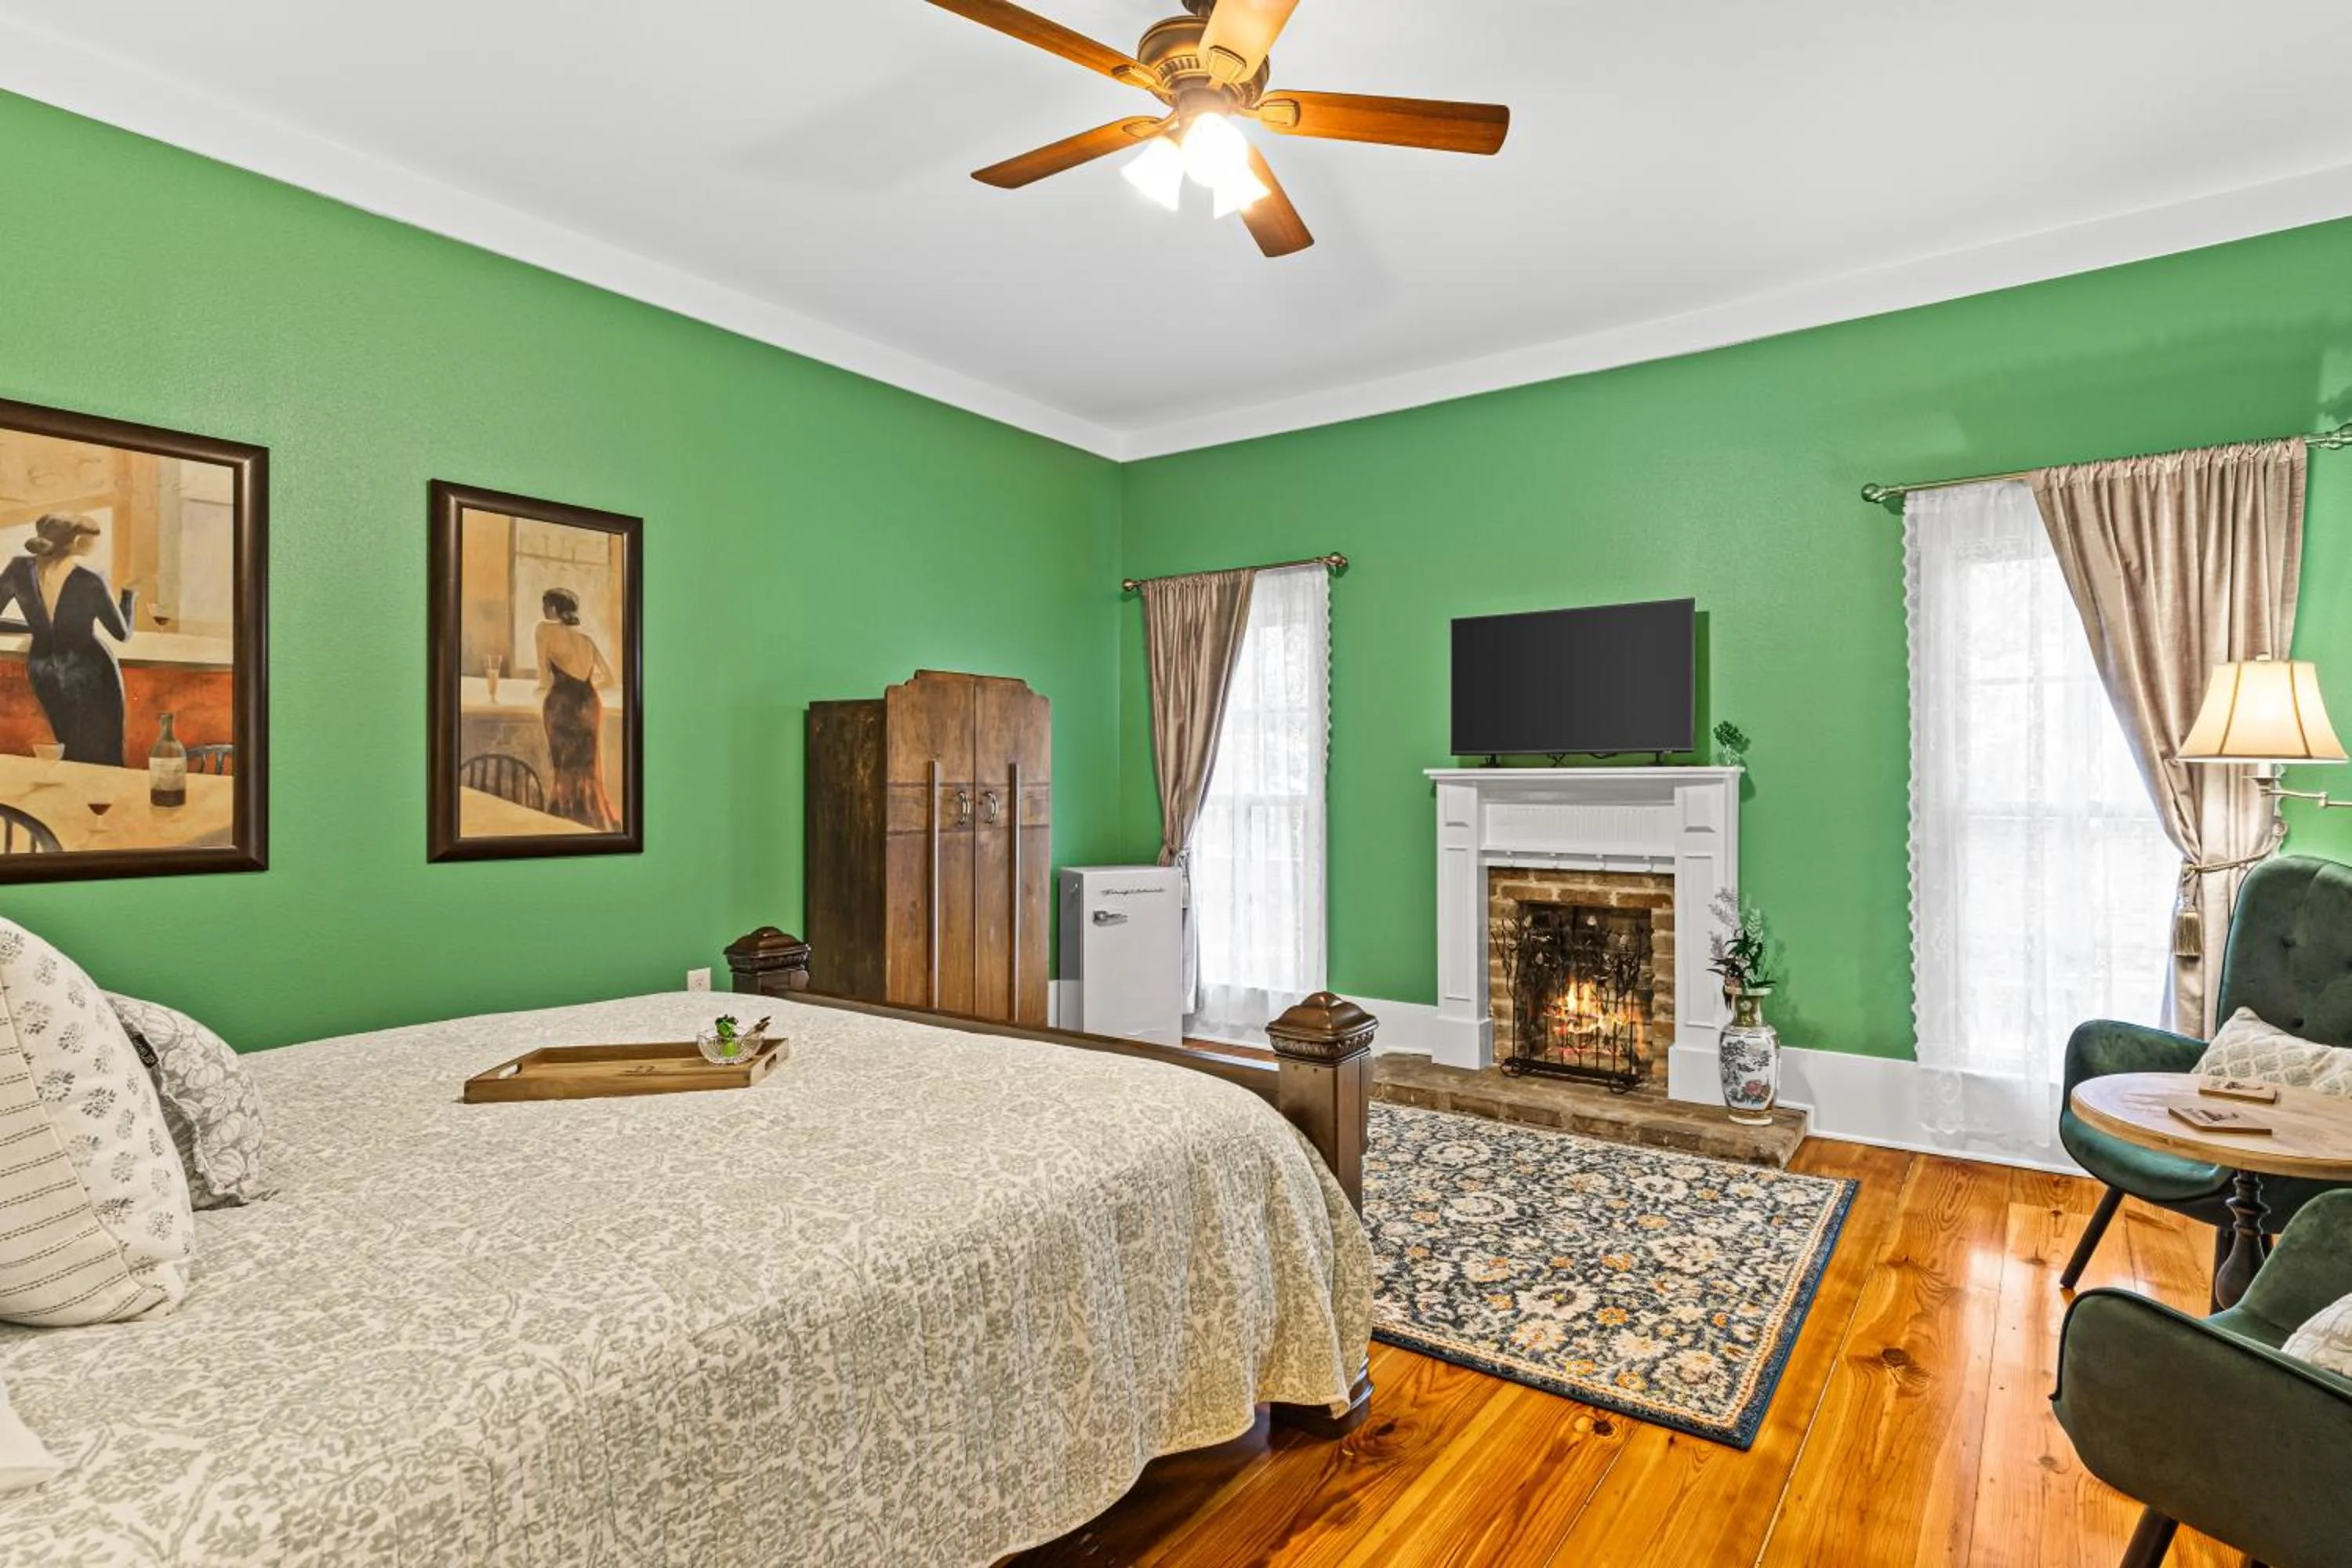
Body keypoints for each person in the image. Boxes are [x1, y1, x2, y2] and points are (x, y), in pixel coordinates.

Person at [0, 514, 136, 765]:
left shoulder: (18, 570)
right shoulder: (91, 580)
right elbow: (122, 633)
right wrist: (129, 596)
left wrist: (34, 627)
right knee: (107, 751)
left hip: (44, 669)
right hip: (92, 670)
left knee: (69, 745)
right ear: (76, 541)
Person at [534, 587, 619, 830]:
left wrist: (564, 688)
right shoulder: (585, 639)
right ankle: (591, 818)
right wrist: (583, 687)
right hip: (590, 703)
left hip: (563, 705)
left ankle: (565, 819)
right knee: (587, 766)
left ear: (553, 609)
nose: (542, 610)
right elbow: (611, 680)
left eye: (545, 605)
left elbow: (544, 680)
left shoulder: (543, 630)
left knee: (564, 765)